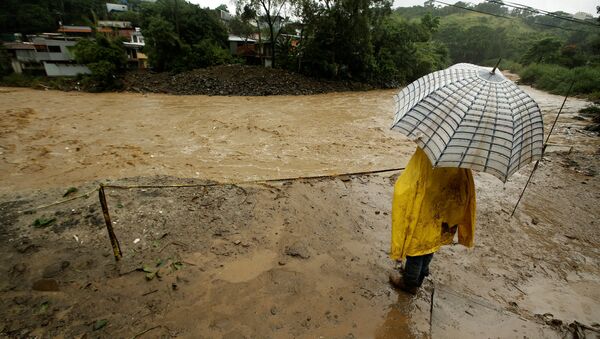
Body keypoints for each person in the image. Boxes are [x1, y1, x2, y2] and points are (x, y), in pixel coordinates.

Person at [388, 147, 476, 295]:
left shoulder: (431, 148)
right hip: (445, 206)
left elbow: (414, 178)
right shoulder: (463, 154)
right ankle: (420, 274)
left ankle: (409, 282)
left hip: (426, 205)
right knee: (431, 244)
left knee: (417, 245)